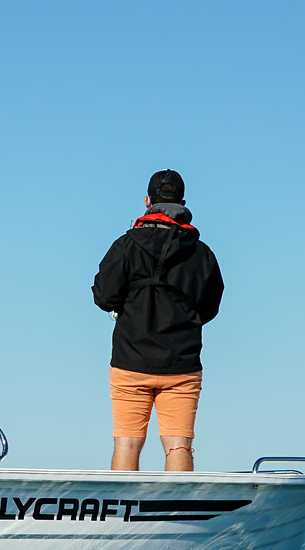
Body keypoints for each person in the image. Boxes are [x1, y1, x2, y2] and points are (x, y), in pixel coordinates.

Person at [91, 169, 224, 472]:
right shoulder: (202, 254)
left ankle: (122, 517)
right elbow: (211, 307)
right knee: (178, 444)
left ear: (147, 201)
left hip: (130, 361)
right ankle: (176, 516)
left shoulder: (126, 245)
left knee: (127, 442)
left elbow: (102, 296)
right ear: (183, 202)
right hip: (182, 364)